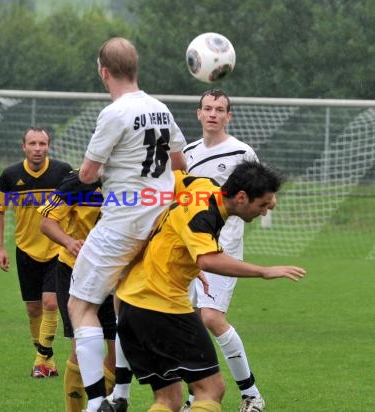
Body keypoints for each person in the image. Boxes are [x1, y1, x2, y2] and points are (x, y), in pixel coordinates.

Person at [116, 161, 306, 412]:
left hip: (132, 303)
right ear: (241, 197)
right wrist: (263, 271)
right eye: (261, 205)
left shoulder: (203, 185)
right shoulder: (204, 215)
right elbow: (208, 260)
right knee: (211, 389)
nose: (263, 212)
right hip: (162, 305)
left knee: (168, 399)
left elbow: (168, 179)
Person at [67, 37, 187, 412]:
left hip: (123, 222)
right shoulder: (161, 109)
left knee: (80, 306)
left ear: (104, 72)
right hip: (160, 221)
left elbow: (87, 174)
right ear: (136, 68)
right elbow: (180, 161)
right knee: (125, 302)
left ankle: (96, 402)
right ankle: (121, 394)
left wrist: (104, 173)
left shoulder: (114, 113)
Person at [181, 89, 263, 412]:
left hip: (223, 251)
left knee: (212, 317)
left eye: (220, 109)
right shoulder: (186, 153)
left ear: (229, 116)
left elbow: (261, 194)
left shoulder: (242, 153)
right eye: (208, 108)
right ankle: (193, 397)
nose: (213, 114)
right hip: (188, 252)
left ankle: (252, 394)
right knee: (190, 323)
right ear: (198, 114)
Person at [0, 126, 72, 378]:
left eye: (42, 144)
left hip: (56, 250)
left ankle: (40, 360)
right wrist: (0, 248)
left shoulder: (62, 172)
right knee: (33, 309)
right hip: (25, 250)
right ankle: (48, 361)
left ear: (48, 146)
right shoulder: (10, 175)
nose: (38, 149)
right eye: (33, 144)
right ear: (23, 147)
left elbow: (79, 205)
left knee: (50, 303)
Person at [38, 172, 117, 412]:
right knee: (80, 349)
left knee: (118, 355)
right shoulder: (77, 182)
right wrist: (69, 242)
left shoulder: (130, 179)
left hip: (115, 274)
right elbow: (46, 222)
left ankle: (99, 407)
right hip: (76, 271)